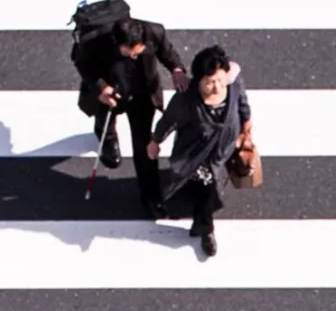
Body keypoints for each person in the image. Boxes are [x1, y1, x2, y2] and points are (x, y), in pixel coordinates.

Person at [73, 13, 189, 214]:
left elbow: (167, 52)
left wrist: (177, 69)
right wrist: (101, 88)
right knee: (105, 119)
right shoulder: (96, 40)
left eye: (138, 52)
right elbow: (82, 63)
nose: (134, 56)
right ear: (116, 42)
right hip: (111, 90)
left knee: (143, 143)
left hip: (142, 95)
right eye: (128, 53)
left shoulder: (155, 31)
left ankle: (150, 194)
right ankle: (107, 136)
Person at [146, 45, 253, 258]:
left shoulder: (232, 85)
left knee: (210, 181)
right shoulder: (187, 100)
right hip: (196, 153)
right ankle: (206, 229)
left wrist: (246, 125)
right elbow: (168, 122)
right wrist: (155, 141)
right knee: (207, 187)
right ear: (198, 80)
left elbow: (242, 103)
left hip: (223, 148)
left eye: (220, 81)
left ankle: (199, 215)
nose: (216, 87)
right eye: (209, 82)